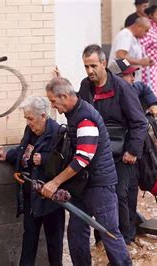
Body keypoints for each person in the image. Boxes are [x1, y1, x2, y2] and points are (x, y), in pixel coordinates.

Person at [42, 77, 131, 265]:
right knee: (76, 233)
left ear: (65, 97)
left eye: (53, 101)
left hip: (99, 185)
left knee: (109, 233)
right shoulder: (74, 113)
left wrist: (55, 182)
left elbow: (82, 159)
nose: (53, 107)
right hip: (82, 184)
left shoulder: (85, 119)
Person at [78, 45, 148, 246]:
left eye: (93, 66)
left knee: (119, 195)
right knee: (99, 196)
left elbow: (139, 122)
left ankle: (125, 241)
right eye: (86, 67)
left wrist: (132, 151)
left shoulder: (121, 87)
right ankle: (102, 241)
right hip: (96, 153)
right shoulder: (85, 86)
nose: (90, 71)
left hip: (122, 153)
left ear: (103, 64)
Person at [0, 96, 65, 266]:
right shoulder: (30, 131)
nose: (28, 123)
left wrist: (45, 159)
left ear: (43, 116)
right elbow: (24, 151)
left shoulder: (58, 132)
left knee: (54, 242)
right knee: (29, 238)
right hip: (30, 195)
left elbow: (66, 162)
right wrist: (8, 155)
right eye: (26, 118)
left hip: (50, 199)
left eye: (30, 118)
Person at [109, 17, 153, 82]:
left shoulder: (134, 37)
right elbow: (121, 57)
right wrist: (140, 62)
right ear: (139, 26)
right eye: (146, 30)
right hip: (122, 81)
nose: (146, 34)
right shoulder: (125, 35)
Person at [140, 5, 157, 97]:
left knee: (155, 91)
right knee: (149, 91)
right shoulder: (148, 28)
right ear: (151, 15)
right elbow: (142, 45)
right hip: (148, 66)